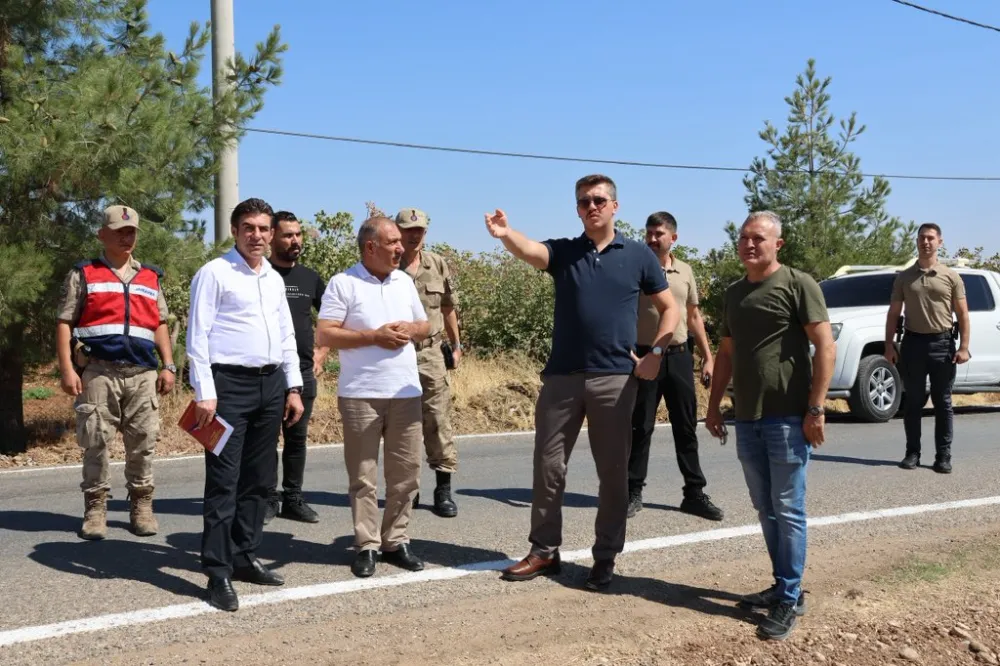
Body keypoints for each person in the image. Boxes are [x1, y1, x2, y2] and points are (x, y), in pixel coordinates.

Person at [487, 174, 680, 592]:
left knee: (612, 473)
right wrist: (505, 234)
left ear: (614, 206)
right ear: (577, 209)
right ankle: (544, 551)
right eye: (583, 202)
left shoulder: (639, 255)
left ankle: (605, 557)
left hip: (615, 378)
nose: (591, 206)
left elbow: (670, 308)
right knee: (548, 466)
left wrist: (656, 353)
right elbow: (531, 250)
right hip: (562, 377)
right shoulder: (566, 251)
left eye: (598, 200)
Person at [705, 210, 835, 641]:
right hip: (747, 416)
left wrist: (815, 408)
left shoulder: (798, 284)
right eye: (744, 237)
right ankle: (783, 586)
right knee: (765, 507)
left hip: (788, 416)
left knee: (789, 507)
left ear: (778, 243)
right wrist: (713, 406)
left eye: (758, 238)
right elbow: (726, 353)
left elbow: (825, 346)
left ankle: (790, 597)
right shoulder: (734, 293)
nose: (749, 244)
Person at [186, 197, 305, 612]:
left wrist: (293, 387)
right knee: (224, 482)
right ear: (235, 231)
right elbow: (197, 336)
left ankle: (243, 555)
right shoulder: (214, 273)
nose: (257, 235)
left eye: (264, 229)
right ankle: (217, 570)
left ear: (272, 234)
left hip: (270, 385)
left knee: (259, 480)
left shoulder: (272, 277)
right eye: (249, 228)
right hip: (227, 388)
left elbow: (286, 335)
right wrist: (204, 391)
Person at [317, 216, 430, 579]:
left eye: (400, 242)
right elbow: (326, 334)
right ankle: (367, 544)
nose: (401, 247)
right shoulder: (343, 283)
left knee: (407, 474)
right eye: (393, 241)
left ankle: (395, 540)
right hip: (360, 394)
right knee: (363, 477)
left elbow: (425, 325)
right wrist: (373, 336)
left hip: (405, 391)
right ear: (370, 247)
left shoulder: (403, 281)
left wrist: (412, 329)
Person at [56, 205, 176, 540]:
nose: (127, 237)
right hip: (98, 371)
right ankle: (95, 510)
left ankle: (142, 506)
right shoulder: (84, 273)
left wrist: (168, 365)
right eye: (119, 231)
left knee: (143, 443)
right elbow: (64, 322)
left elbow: (160, 324)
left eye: (131, 231)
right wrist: (67, 369)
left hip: (142, 373)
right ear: (102, 235)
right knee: (95, 442)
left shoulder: (150, 277)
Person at [627, 211, 722, 521]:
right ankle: (632, 491)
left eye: (659, 234)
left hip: (680, 356)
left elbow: (693, 316)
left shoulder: (685, 271)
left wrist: (708, 356)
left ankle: (694, 494)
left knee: (685, 426)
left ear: (673, 237)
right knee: (640, 426)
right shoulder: (636, 268)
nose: (652, 239)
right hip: (644, 357)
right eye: (649, 233)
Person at [885, 223, 970, 473]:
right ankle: (912, 453)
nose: (926, 242)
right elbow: (893, 313)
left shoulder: (951, 276)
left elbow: (963, 314)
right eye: (922, 237)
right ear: (917, 241)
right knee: (913, 401)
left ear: (939, 242)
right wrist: (889, 345)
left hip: (942, 344)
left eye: (931, 238)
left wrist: (964, 347)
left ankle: (943, 456)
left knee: (942, 402)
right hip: (913, 344)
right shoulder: (904, 277)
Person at [395, 207, 462, 518]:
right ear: (397, 231)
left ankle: (443, 490)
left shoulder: (436, 264)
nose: (414, 235)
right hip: (396, 355)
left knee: (437, 420)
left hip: (431, 354)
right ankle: (409, 489)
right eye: (408, 230)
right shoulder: (386, 265)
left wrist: (457, 345)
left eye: (419, 230)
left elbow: (448, 307)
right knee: (402, 424)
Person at [264, 210, 330, 524]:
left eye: (298, 235)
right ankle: (266, 499)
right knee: (264, 440)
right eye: (288, 235)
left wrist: (322, 353)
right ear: (272, 237)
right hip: (267, 372)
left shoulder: (310, 278)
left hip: (302, 372)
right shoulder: (261, 274)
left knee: (296, 439)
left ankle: (292, 498)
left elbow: (332, 318)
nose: (295, 241)